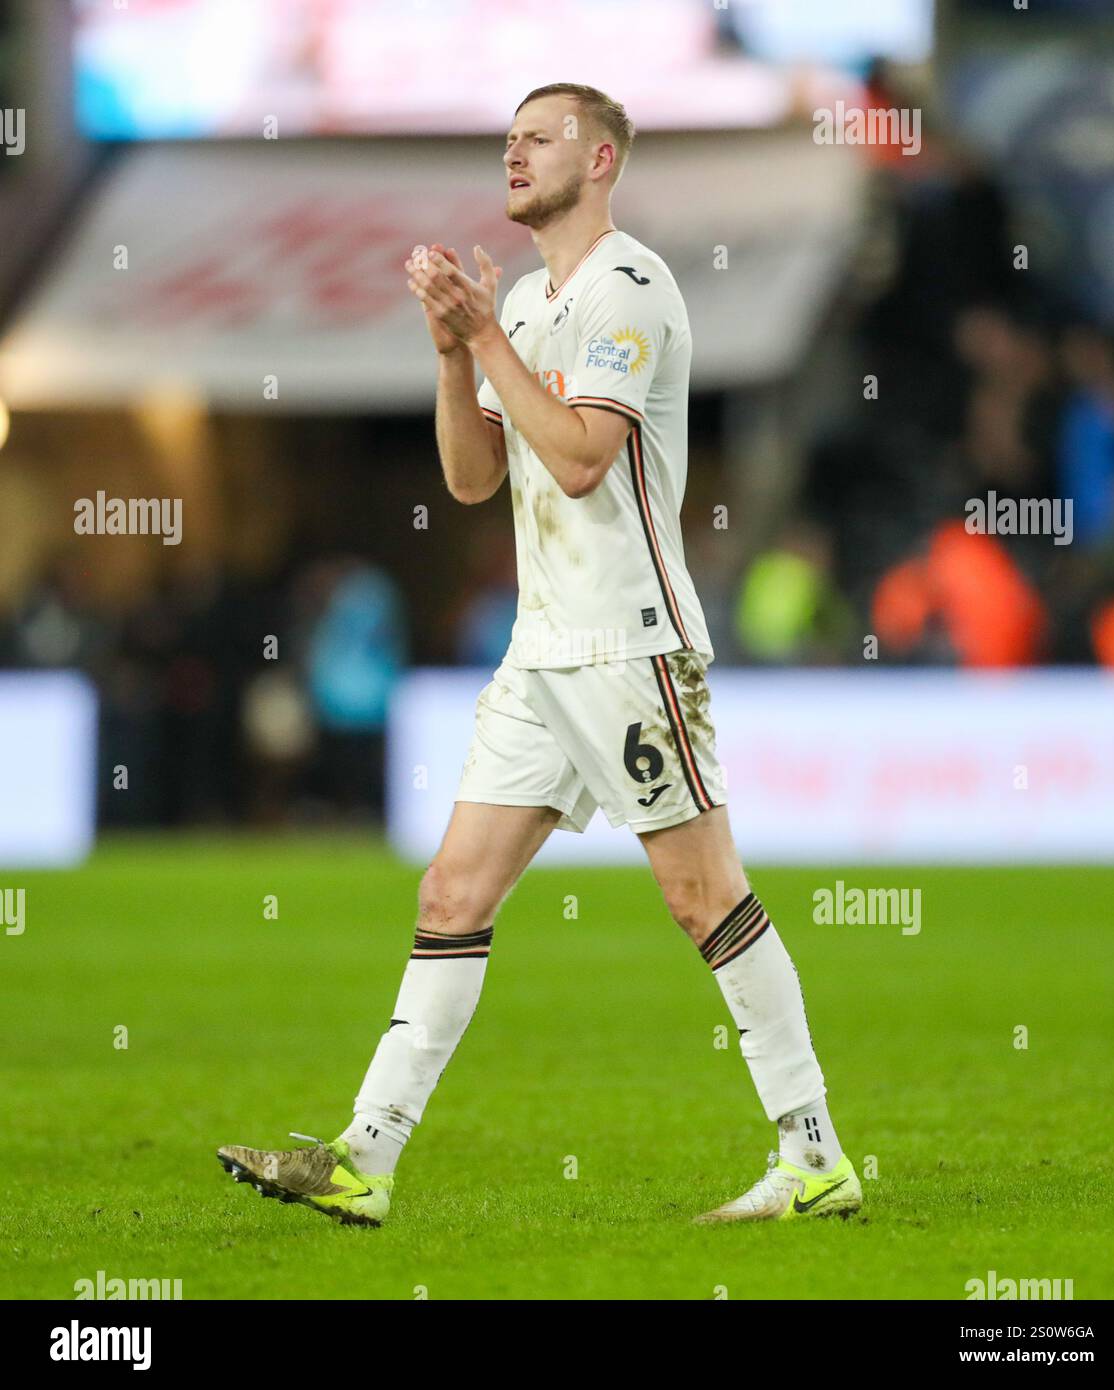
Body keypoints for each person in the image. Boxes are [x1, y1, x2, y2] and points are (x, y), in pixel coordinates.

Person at [218, 84, 861, 1228]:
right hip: (540, 651)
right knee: (452, 889)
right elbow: (474, 477)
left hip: (629, 644)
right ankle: (366, 1159)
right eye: (507, 137)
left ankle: (812, 1153)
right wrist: (453, 355)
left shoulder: (631, 287)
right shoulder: (520, 301)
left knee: (700, 894)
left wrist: (484, 342)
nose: (511, 152)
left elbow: (575, 458)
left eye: (537, 136)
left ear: (600, 157)